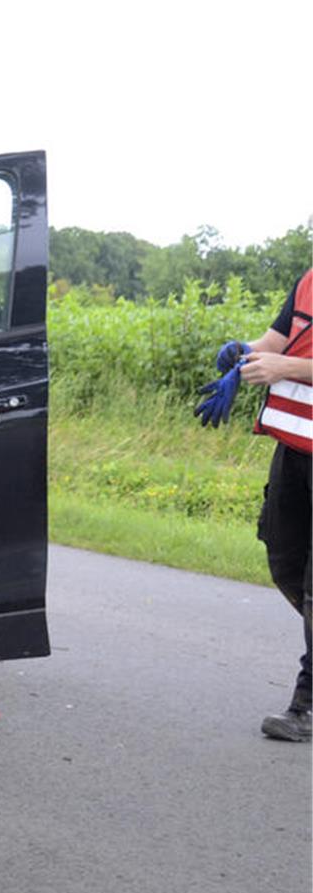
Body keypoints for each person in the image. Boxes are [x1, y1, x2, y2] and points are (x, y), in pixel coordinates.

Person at [201, 266, 313, 741]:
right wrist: (244, 354)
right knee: (284, 560)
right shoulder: (310, 279)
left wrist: (283, 368)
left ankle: (305, 708)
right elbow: (276, 340)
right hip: (294, 445)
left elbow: (286, 362)